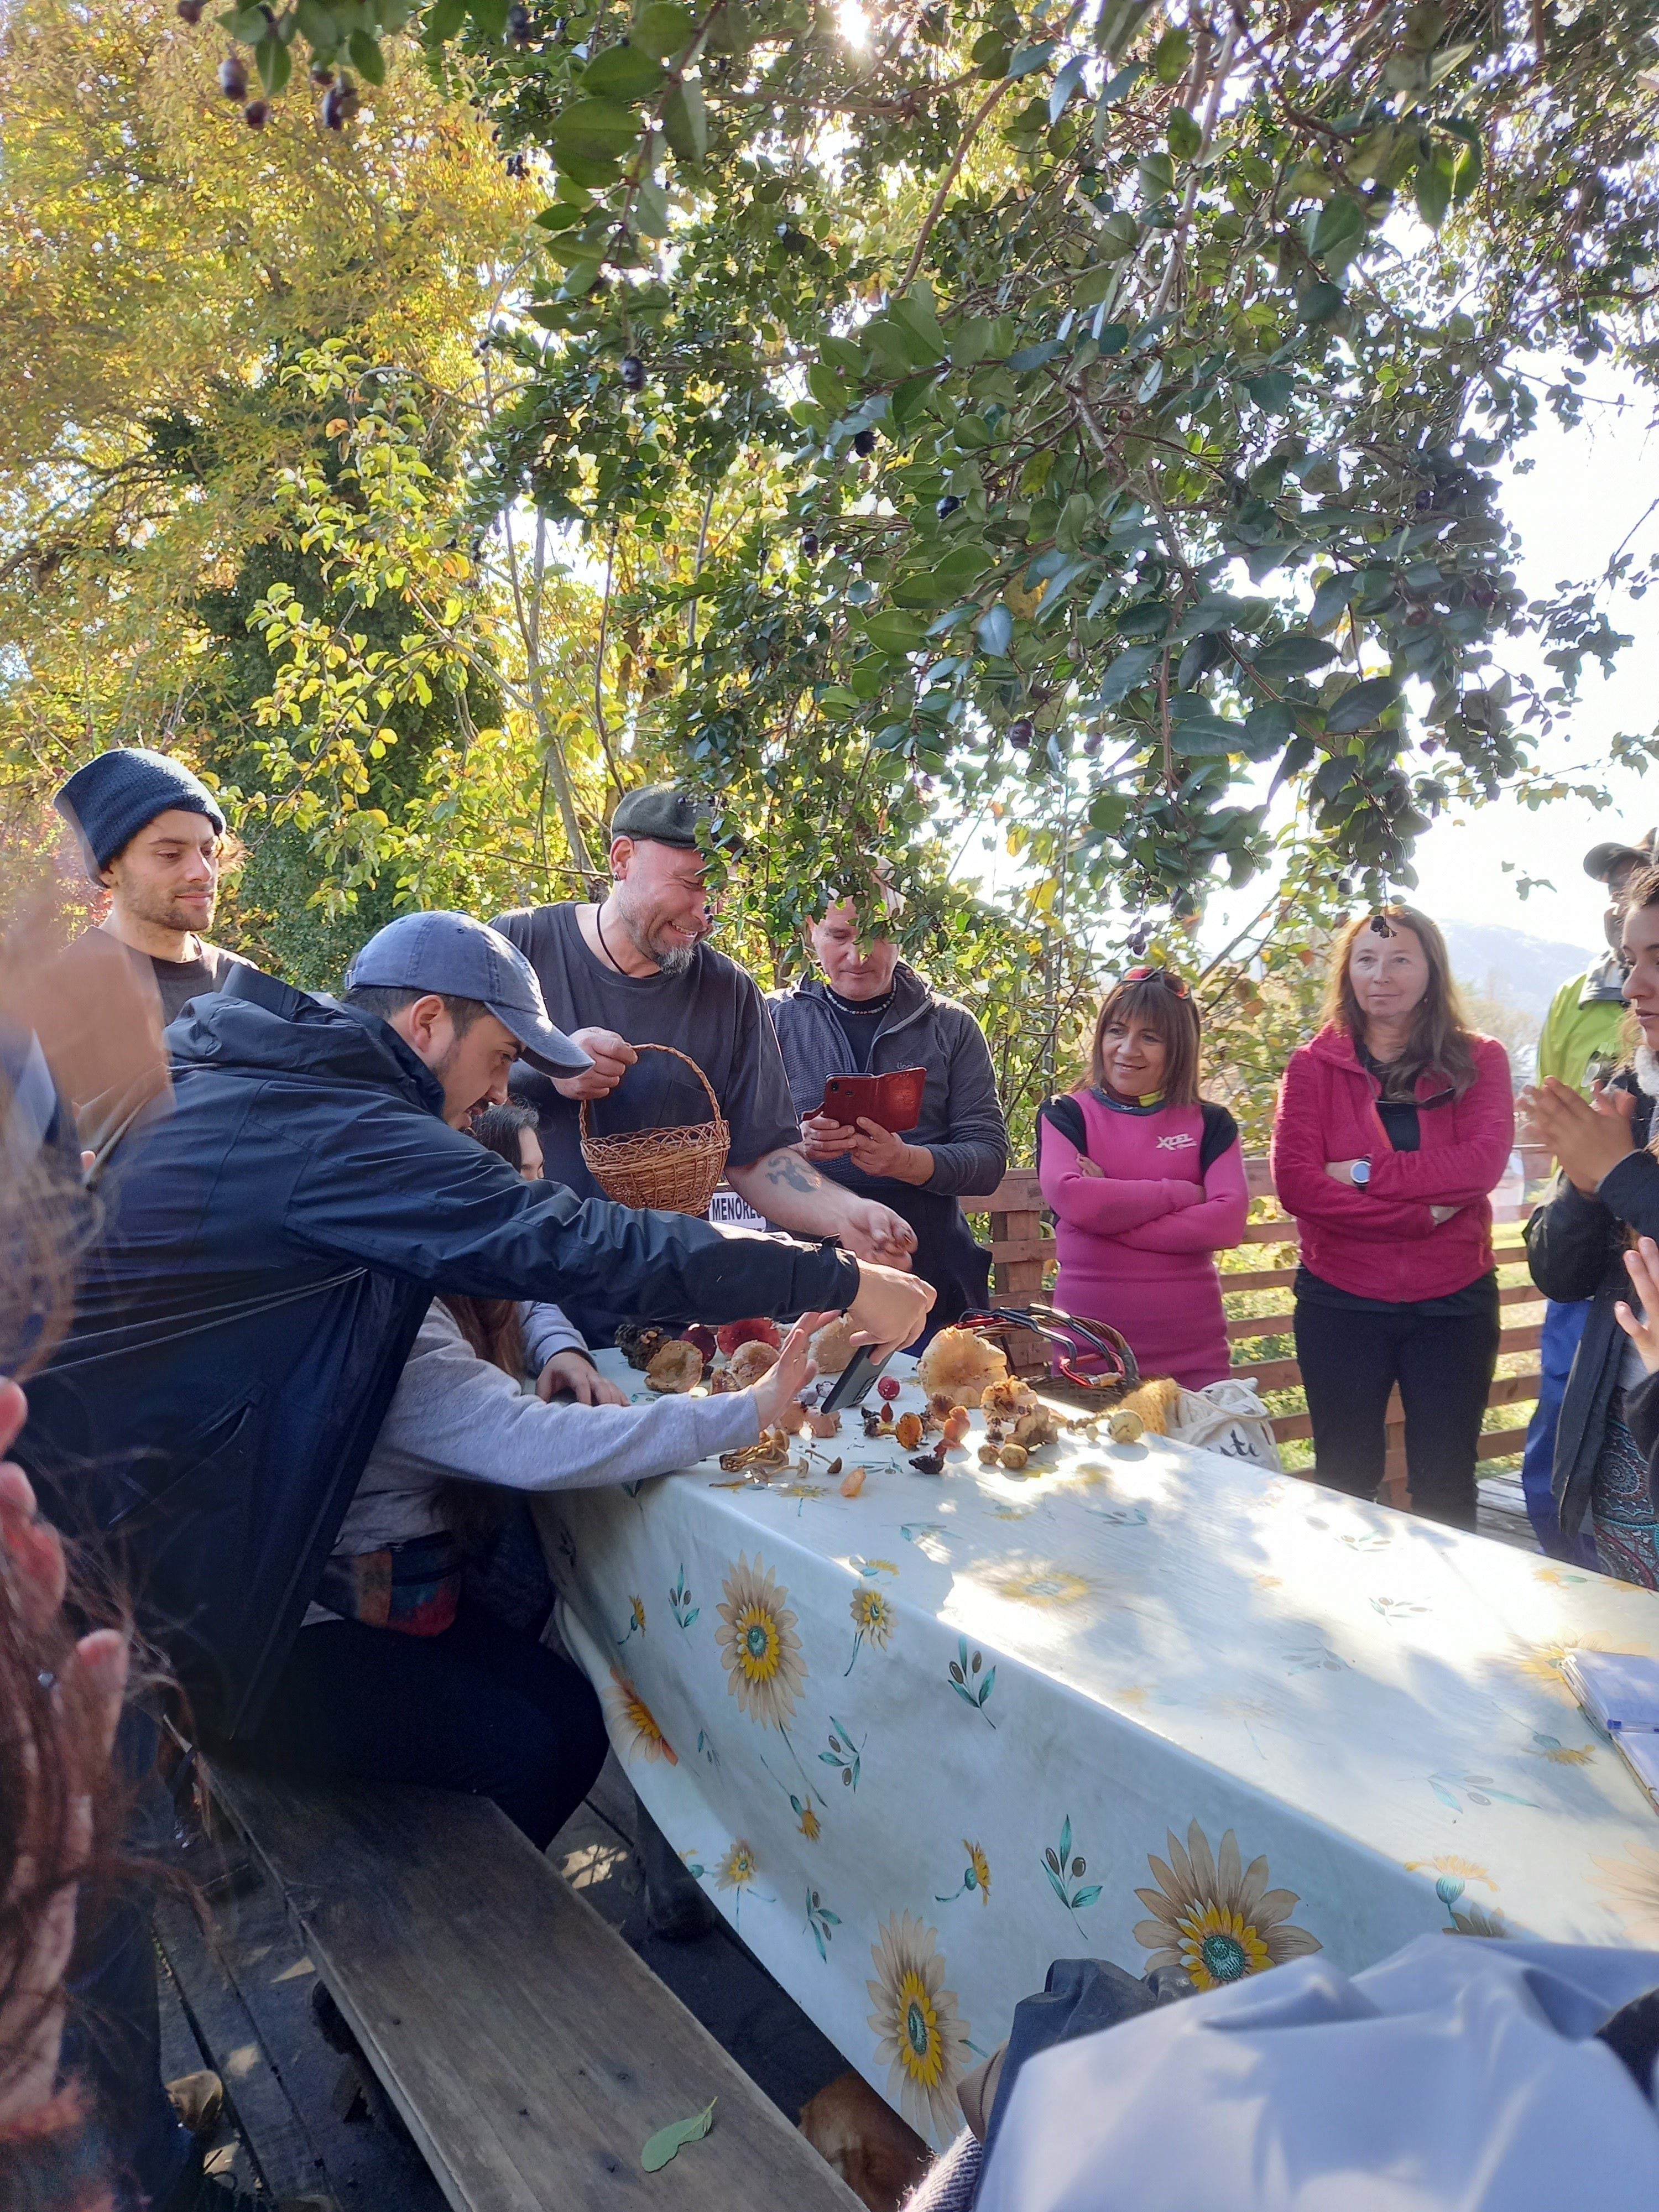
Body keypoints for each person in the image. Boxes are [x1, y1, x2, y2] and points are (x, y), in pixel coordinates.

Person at [18, 908, 930, 2212]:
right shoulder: (329, 1123)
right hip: (68, 1575)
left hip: (126, 1561)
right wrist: (826, 1279)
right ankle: (156, 2186)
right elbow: (567, 1238)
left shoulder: (264, 1092)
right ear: (426, 1024)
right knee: (85, 1914)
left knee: (94, 1912)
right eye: (502, 1056)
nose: (506, 1090)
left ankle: (146, 2157)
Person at [493, 786, 916, 1337]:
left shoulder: (730, 991)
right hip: (530, 1308)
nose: (706, 911)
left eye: (719, 889)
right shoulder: (516, 945)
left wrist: (845, 1214)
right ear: (622, 859)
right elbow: (447, 1105)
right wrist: (547, 1064)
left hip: (668, 1320)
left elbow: (759, 1159)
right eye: (692, 883)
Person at [1271, 906, 1514, 1530]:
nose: (1383, 974)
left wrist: (1358, 1171)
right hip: (1341, 1301)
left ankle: (1447, 1628)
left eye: (1401, 958)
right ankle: (1350, 1624)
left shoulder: (1479, 1060)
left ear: (1431, 969)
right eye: (1367, 959)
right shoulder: (1311, 1067)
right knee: (1345, 1481)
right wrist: (1417, 1216)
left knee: (1446, 1484)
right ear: (1347, 972)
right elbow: (1297, 1184)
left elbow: (1481, 1166)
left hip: (1454, 1302)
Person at [771, 889, 1009, 1341]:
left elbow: (989, 1158)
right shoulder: (773, 1021)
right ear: (810, 934)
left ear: (901, 933)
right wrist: (799, 1146)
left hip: (927, 1267)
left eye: (877, 935)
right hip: (808, 1269)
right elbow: (740, 1144)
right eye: (838, 935)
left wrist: (906, 1162)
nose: (857, 954)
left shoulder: (950, 1026)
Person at [1521, 863, 1659, 1584]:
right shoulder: (1636, 1093)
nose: (1634, 986)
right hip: (1621, 1433)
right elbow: (1560, 1274)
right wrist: (1581, 1189)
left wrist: (1621, 1176)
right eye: (1634, 959)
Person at [1034, 967, 1247, 1388]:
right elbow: (1074, 1201)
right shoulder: (1066, 1114)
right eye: (1117, 1031)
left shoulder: (1212, 1123)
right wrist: (1183, 1193)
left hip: (1195, 1357)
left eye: (1150, 1037)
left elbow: (1228, 1221)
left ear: (1178, 1049)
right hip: (1091, 1353)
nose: (1127, 1049)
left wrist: (1108, 1214)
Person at [54, 747, 254, 1025]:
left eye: (208, 851)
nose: (203, 872)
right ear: (109, 868)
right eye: (170, 855)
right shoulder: (54, 997)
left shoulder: (242, 982)